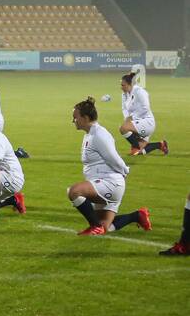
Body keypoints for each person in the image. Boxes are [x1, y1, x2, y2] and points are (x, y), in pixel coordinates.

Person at [68, 95, 150, 236]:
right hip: (104, 183)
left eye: (75, 117)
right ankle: (137, 216)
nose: (73, 120)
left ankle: (94, 226)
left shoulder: (99, 135)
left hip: (109, 184)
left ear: (86, 118)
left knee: (74, 191)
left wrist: (125, 170)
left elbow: (113, 158)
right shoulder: (91, 133)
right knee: (105, 227)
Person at [118, 72, 167, 156]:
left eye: (123, 85)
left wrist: (132, 117)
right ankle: (160, 145)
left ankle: (136, 146)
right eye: (121, 85)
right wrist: (127, 118)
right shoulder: (124, 95)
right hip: (136, 123)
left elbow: (146, 107)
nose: (121, 87)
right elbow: (124, 108)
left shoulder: (139, 91)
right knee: (138, 153)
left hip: (146, 121)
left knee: (123, 128)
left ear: (129, 84)